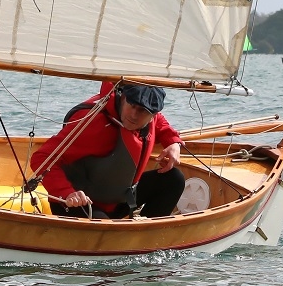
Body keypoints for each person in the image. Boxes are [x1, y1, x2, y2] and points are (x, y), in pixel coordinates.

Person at [30, 81, 185, 219]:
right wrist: (66, 192)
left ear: (152, 115)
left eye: (143, 111)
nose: (134, 115)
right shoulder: (92, 122)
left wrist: (173, 142)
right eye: (132, 105)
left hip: (119, 199)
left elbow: (160, 123)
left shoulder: (151, 116)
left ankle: (147, 238)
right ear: (123, 97)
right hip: (79, 204)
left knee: (174, 179)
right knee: (103, 229)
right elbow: (42, 157)